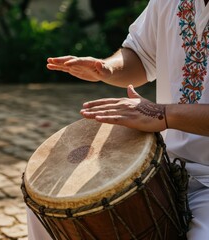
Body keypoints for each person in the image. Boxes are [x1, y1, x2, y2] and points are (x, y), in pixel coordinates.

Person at [27, 0, 209, 239]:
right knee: (52, 209)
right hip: (165, 166)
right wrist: (107, 68)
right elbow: (140, 56)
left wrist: (163, 114)